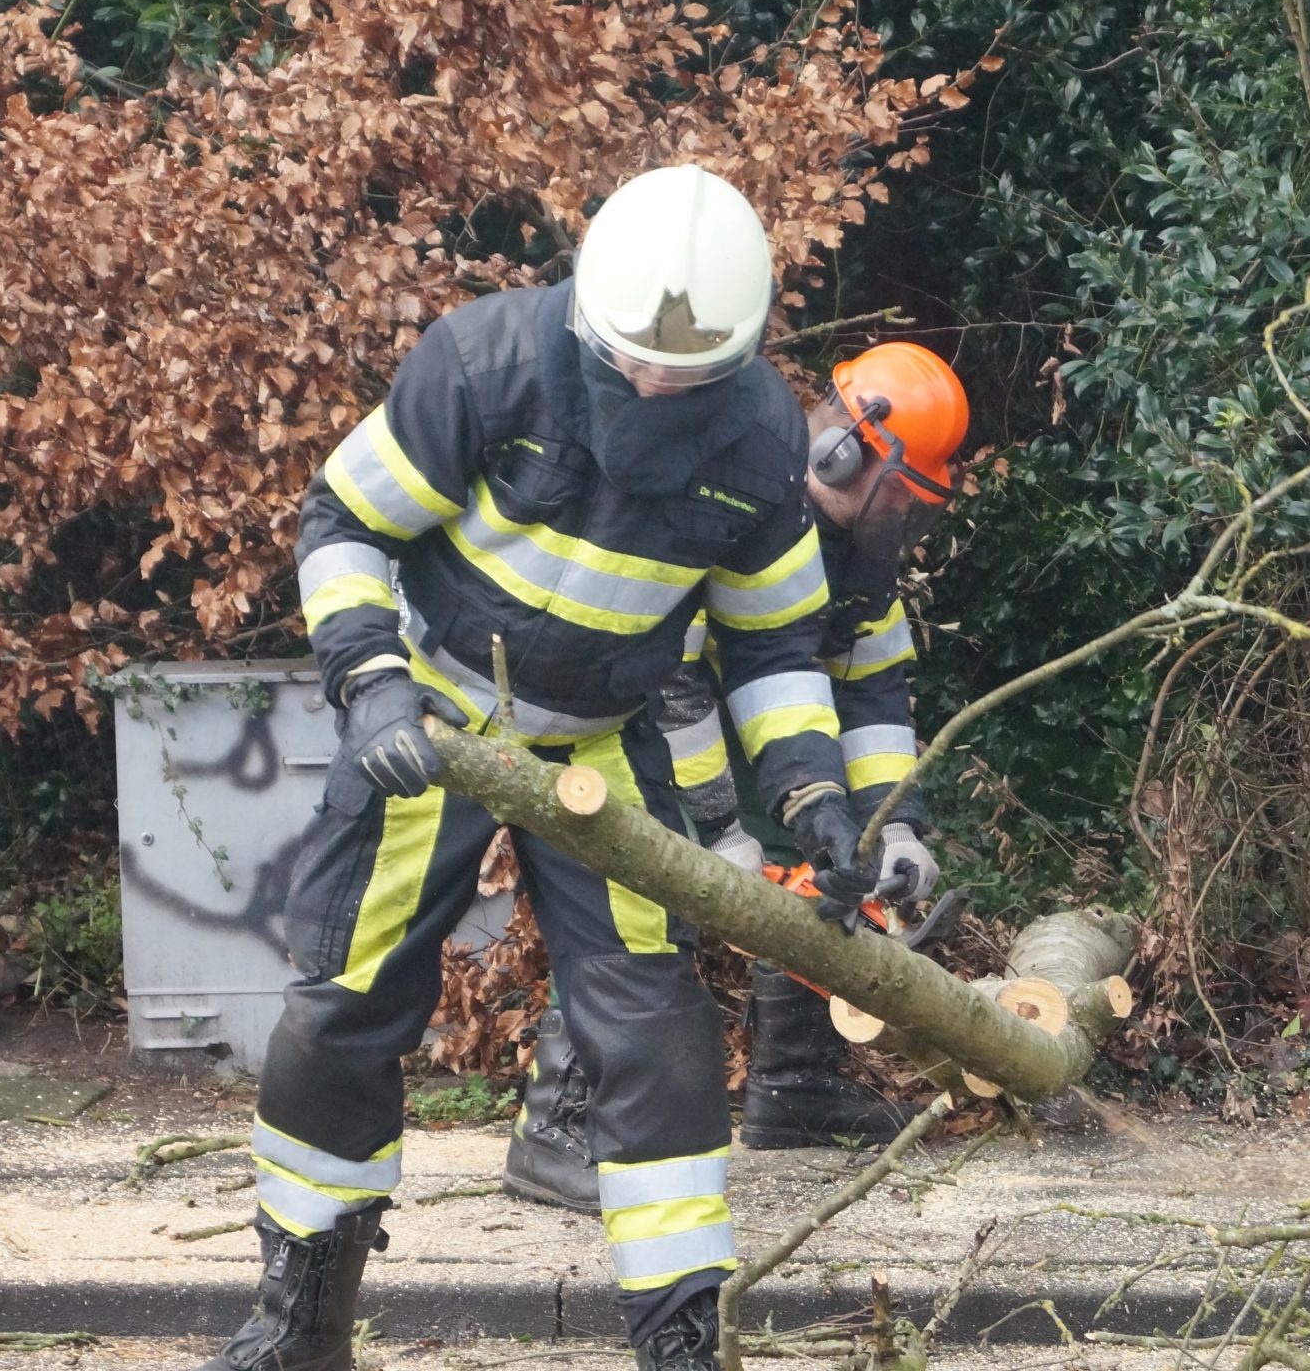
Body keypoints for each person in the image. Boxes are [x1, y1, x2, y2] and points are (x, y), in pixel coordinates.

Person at [201, 167, 876, 1371]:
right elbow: (344, 521)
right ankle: (298, 1320)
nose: (654, 385)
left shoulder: (764, 440)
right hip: (436, 720)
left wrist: (813, 792)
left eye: (684, 372)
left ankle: (681, 1338)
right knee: (343, 1005)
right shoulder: (485, 363)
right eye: (632, 362)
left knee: (655, 1034)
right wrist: (372, 683)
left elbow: (772, 644)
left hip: (605, 745)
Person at [506, 341, 968, 1209]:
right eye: (901, 490)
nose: (905, 514)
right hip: (647, 719)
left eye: (919, 501)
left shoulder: (862, 567)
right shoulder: (744, 495)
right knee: (641, 902)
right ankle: (558, 1120)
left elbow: (873, 692)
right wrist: (719, 829)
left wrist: (893, 823)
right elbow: (675, 682)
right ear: (844, 451)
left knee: (823, 865)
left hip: (774, 732)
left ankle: (794, 1087)